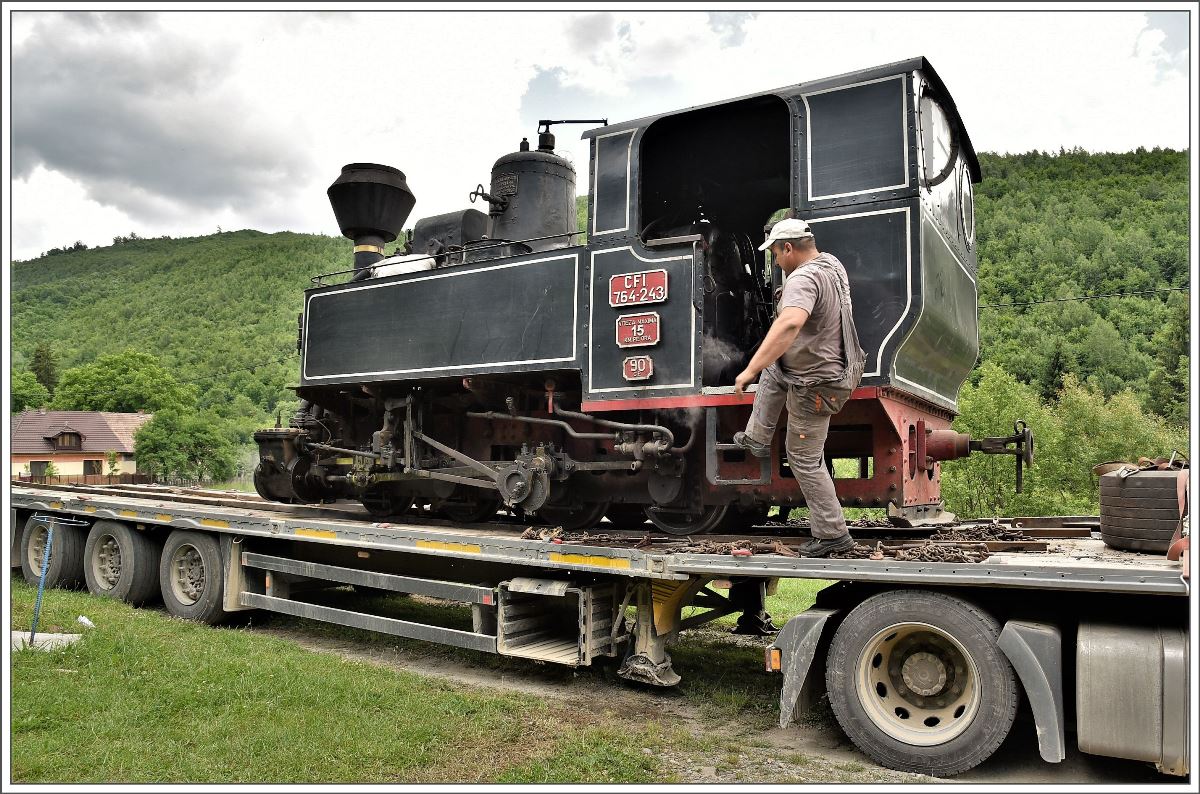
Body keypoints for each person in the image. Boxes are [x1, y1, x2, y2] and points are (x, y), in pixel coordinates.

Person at [731, 218, 864, 558]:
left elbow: (790, 322)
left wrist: (749, 369)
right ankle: (757, 437)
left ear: (788, 248)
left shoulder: (802, 278)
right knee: (776, 367)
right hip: (835, 371)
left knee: (803, 459)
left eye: (776, 254)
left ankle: (833, 534)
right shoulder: (831, 266)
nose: (776, 262)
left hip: (816, 384)